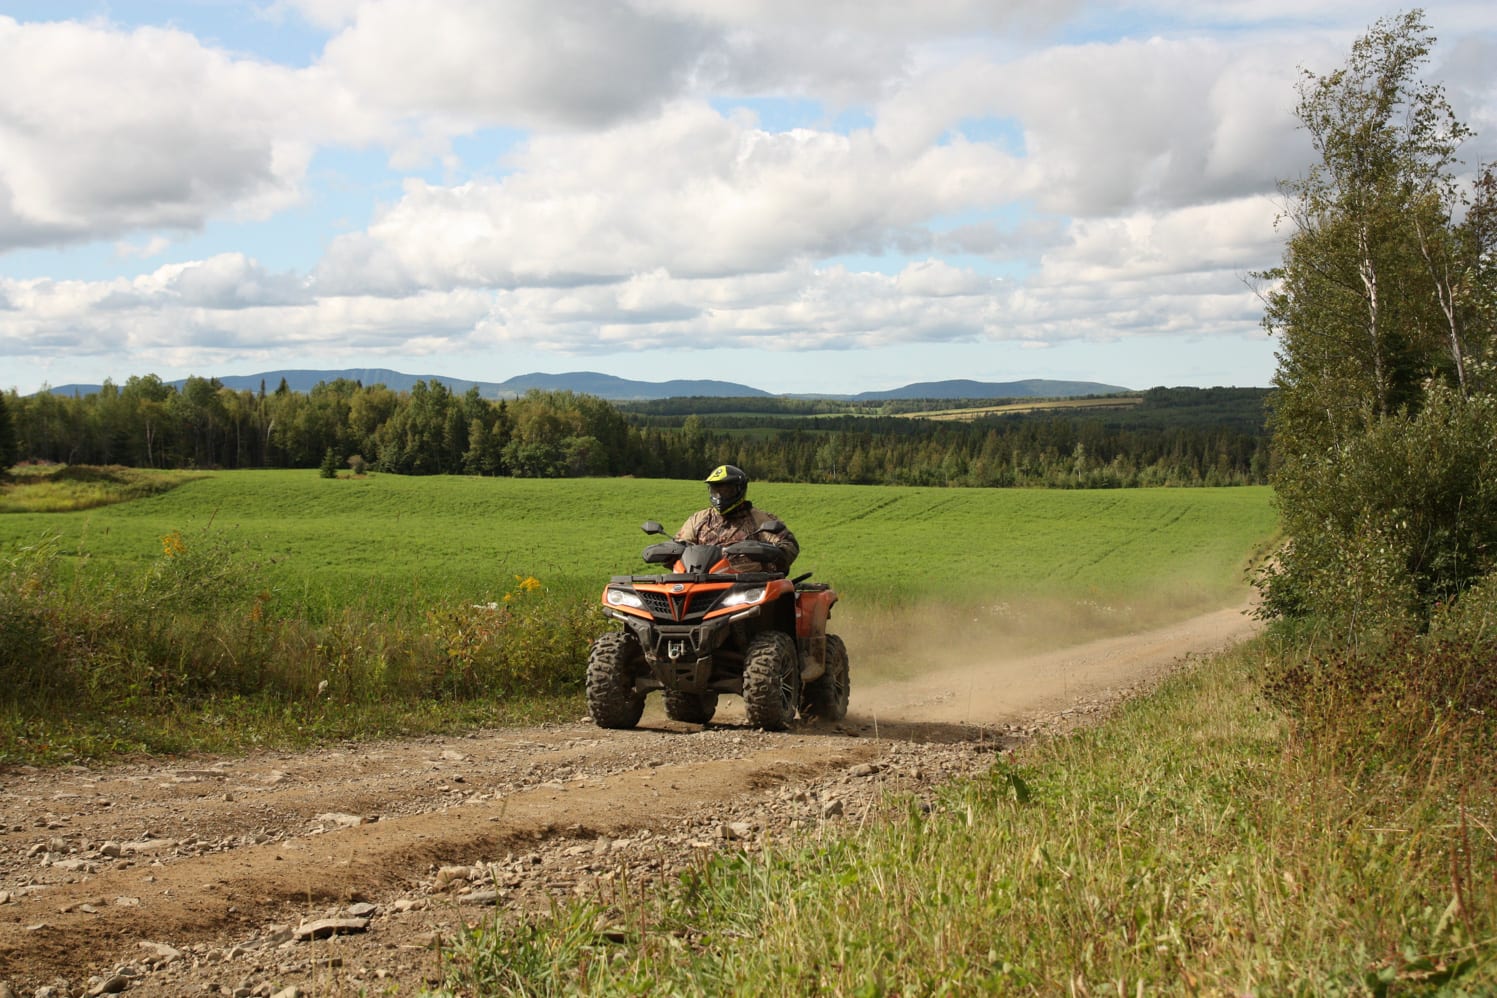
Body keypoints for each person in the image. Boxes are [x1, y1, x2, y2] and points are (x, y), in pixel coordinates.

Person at [676, 464, 799, 573]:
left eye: (726, 491)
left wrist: (768, 553)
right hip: (703, 582)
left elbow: (789, 546)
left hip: (747, 585)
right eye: (716, 491)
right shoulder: (698, 519)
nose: (720, 496)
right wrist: (669, 552)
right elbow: (679, 546)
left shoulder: (761, 519)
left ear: (740, 489)